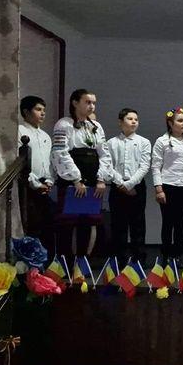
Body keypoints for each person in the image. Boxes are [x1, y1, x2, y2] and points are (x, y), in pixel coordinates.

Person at [52, 89, 113, 260]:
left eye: (94, 103)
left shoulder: (96, 126)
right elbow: (60, 153)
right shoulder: (64, 124)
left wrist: (101, 179)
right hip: (72, 182)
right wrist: (76, 179)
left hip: (93, 181)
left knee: (87, 223)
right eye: (87, 102)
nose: (91, 106)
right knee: (67, 224)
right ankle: (65, 264)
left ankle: (82, 263)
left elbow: (104, 154)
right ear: (75, 103)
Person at [151, 107, 183, 265]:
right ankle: (165, 256)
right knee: (168, 222)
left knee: (180, 223)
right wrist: (159, 189)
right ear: (170, 123)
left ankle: (177, 256)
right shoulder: (162, 141)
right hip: (167, 186)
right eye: (180, 120)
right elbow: (156, 166)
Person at [106, 108, 151, 265]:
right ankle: (120, 260)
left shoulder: (144, 142)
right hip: (117, 187)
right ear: (120, 122)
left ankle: (139, 259)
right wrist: (121, 184)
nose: (133, 122)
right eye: (130, 119)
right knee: (118, 225)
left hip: (137, 186)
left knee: (138, 224)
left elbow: (144, 166)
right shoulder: (111, 143)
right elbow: (108, 166)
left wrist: (130, 184)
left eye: (136, 119)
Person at [18, 96, 54, 252]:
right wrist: (36, 184)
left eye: (44, 110)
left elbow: (49, 162)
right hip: (28, 186)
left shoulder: (45, 136)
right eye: (38, 109)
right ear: (26, 112)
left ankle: (46, 260)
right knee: (31, 225)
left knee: (47, 226)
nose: (43, 113)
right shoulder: (20, 131)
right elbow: (20, 162)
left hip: (44, 185)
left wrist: (49, 181)